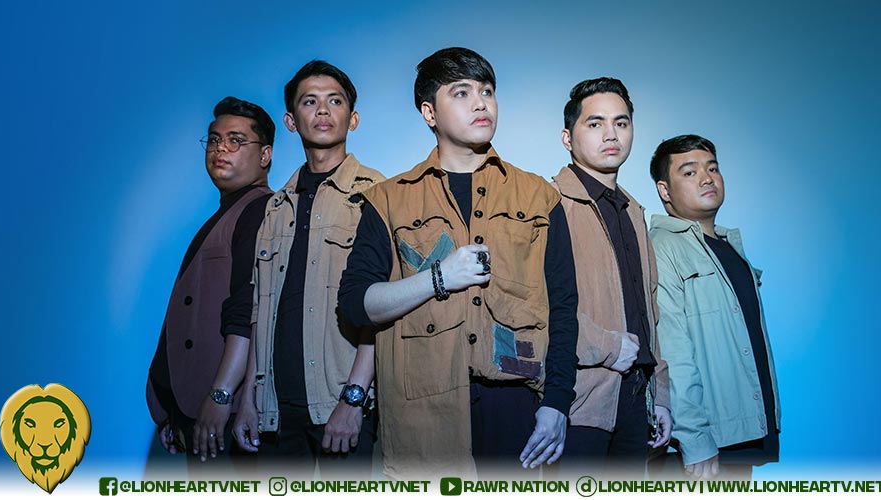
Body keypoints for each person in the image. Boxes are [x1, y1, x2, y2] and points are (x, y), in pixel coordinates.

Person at [338, 47, 579, 479]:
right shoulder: (387, 200)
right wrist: (439, 277)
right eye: (462, 92)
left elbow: (563, 306)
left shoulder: (539, 196)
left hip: (515, 401)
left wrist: (557, 403)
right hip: (422, 411)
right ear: (429, 112)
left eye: (487, 91)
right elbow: (356, 305)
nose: (481, 103)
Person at [227, 61, 385, 478]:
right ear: (291, 121)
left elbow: (381, 310)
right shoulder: (275, 208)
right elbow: (260, 309)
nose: (323, 110)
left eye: (335, 101)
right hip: (276, 411)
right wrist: (249, 400)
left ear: (353, 118)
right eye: (310, 102)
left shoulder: (376, 195)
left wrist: (353, 398)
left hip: (341, 402)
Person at [551, 78, 672, 478]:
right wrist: (605, 346)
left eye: (621, 123)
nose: (611, 134)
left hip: (637, 399)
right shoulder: (549, 204)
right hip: (578, 400)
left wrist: (661, 394)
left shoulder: (634, 211)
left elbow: (649, 310)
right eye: (595, 123)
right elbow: (535, 305)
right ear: (568, 138)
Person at [146, 96, 275, 469]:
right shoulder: (224, 214)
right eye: (215, 139)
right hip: (191, 411)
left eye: (236, 140)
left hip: (224, 414)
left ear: (265, 155)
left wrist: (221, 396)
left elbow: (247, 310)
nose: (221, 149)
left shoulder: (259, 211)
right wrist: (171, 407)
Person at [648, 134, 780, 480]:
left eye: (713, 168)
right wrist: (693, 437)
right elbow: (672, 350)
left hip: (739, 434)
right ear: (664, 190)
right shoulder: (662, 247)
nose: (707, 178)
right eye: (690, 172)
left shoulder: (728, 247)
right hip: (700, 447)